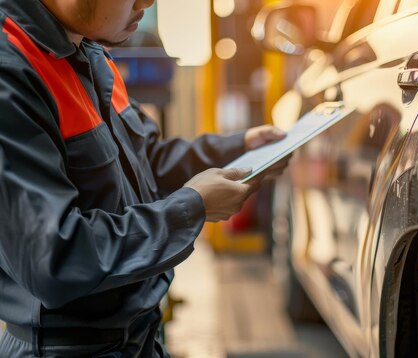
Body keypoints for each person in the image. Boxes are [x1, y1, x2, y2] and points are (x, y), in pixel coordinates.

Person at [0, 0, 289, 356]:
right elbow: (55, 258)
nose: (147, 2)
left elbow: (145, 159)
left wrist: (240, 149)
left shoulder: (89, 52)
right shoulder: (11, 73)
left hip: (138, 336)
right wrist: (191, 208)